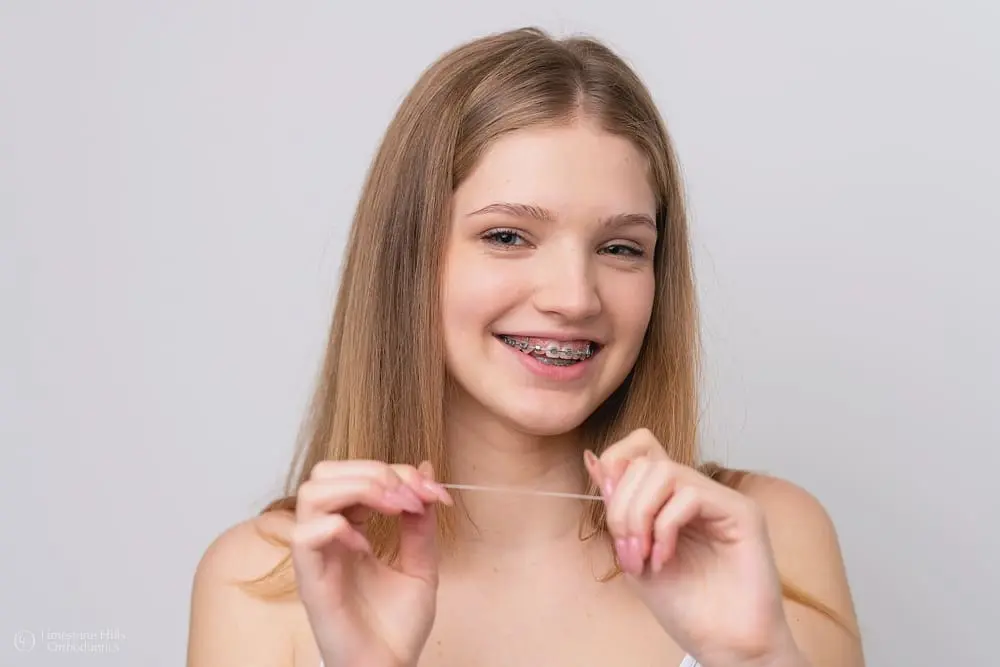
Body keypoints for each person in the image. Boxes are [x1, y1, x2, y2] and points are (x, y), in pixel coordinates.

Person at [186, 26, 864, 667]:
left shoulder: (763, 538)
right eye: (508, 236)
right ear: (408, 260)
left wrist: (758, 659)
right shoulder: (260, 583)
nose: (574, 296)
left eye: (621, 247)